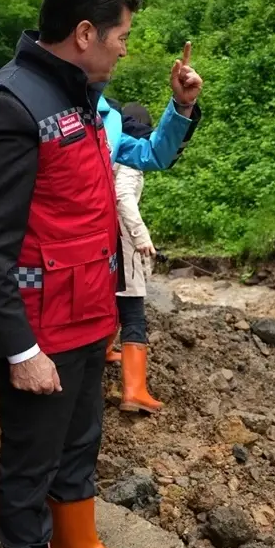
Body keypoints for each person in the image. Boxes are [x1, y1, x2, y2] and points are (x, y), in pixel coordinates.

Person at [0, 0, 202, 548]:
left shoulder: (79, 96)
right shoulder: (11, 105)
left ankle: (76, 546)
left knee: (80, 443)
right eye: (122, 35)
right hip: (40, 325)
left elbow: (136, 165)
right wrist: (19, 348)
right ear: (86, 32)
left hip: (88, 307)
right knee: (29, 465)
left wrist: (182, 108)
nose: (127, 47)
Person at [110, 102, 162, 413]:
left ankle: (105, 352)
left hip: (101, 243)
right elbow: (123, 197)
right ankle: (134, 391)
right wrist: (142, 238)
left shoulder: (108, 146)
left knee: (108, 304)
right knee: (133, 313)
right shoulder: (131, 158)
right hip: (123, 245)